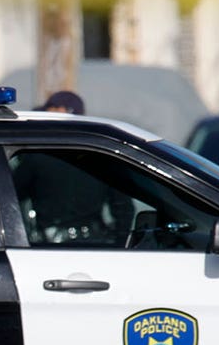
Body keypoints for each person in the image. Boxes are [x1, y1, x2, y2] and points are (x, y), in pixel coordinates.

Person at [14, 91, 134, 245]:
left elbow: (8, 198)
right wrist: (120, 243)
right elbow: (123, 208)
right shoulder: (102, 157)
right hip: (96, 243)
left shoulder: (37, 158)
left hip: (47, 247)